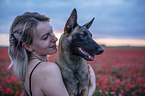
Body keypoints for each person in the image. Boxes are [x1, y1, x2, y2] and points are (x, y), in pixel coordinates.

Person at [8, 12, 96, 96]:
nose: (55, 38)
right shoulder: (49, 70)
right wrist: (92, 87)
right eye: (45, 37)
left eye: (52, 31)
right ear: (28, 46)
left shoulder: (26, 67)